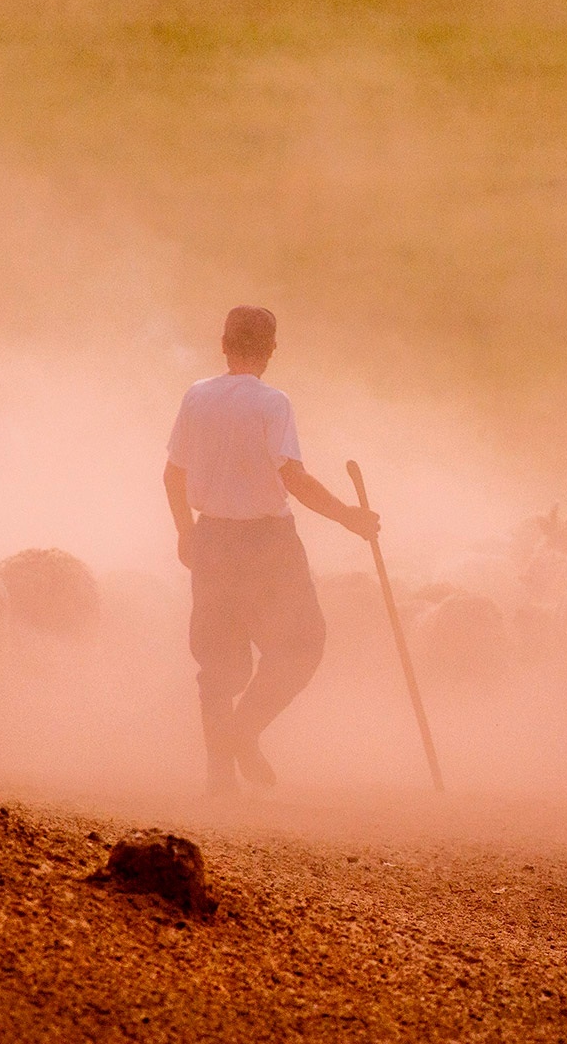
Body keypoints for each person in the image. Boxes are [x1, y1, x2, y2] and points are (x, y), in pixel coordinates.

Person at [163, 306, 379, 794]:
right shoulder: (272, 403)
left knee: (219, 662)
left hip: (212, 539)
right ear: (272, 350)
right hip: (267, 544)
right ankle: (242, 734)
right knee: (301, 646)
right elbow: (292, 478)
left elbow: (173, 474)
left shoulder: (197, 397)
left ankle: (221, 772)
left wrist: (185, 532)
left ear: (223, 345)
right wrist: (347, 516)